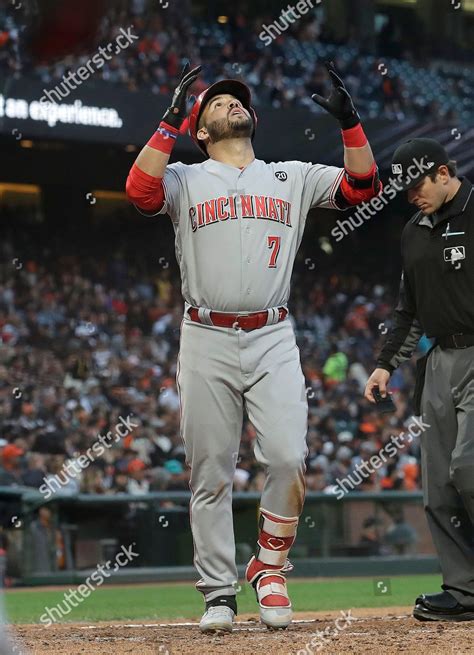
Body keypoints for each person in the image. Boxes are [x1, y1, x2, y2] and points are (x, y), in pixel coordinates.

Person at [126, 60, 381, 632]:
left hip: (272, 333)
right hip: (205, 334)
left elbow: (362, 188)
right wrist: (166, 125)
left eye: (236, 100)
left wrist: (351, 126)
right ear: (200, 130)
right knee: (210, 472)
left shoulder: (289, 175)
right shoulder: (184, 179)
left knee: (289, 456)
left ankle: (269, 566)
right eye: (216, 103)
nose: (229, 104)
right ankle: (218, 592)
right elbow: (139, 192)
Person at [364, 137, 474, 621]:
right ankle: (465, 593)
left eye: (418, 185)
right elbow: (407, 310)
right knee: (438, 488)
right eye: (405, 189)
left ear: (445, 173)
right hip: (437, 362)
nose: (412, 196)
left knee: (469, 469)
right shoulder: (413, 232)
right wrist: (385, 363)